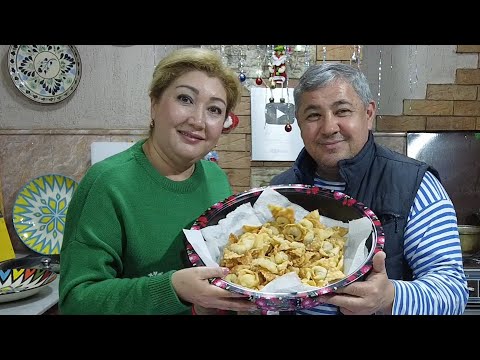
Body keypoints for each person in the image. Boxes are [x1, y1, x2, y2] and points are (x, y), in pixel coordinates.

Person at [59, 47, 258, 315]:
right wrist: (172, 289)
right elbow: (76, 302)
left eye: (214, 109)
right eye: (185, 99)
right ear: (154, 104)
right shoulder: (107, 184)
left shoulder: (216, 178)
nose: (198, 120)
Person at [270, 63, 469, 315]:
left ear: (368, 113)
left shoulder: (415, 185)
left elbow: (453, 293)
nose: (329, 127)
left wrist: (389, 297)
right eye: (313, 115)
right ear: (299, 122)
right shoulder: (278, 192)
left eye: (342, 110)